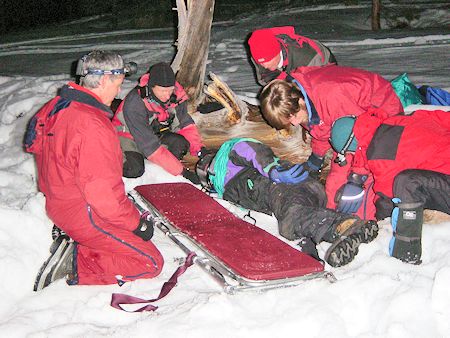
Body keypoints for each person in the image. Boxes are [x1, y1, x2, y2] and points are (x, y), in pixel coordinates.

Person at [25, 51, 164, 290]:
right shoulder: (94, 126)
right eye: (118, 84)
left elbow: (33, 144)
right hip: (82, 213)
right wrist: (135, 224)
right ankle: (76, 261)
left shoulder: (57, 105)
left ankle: (78, 239)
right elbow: (105, 199)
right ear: (103, 81)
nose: (119, 92)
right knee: (150, 261)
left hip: (58, 199)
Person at [195, 138, 379, 267]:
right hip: (297, 197)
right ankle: (309, 259)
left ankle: (343, 224)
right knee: (291, 225)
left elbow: (249, 148)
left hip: (286, 185)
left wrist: (272, 169)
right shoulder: (228, 192)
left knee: (291, 219)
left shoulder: (226, 158)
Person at [259, 65, 403, 221]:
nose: (294, 123)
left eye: (293, 117)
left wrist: (357, 178)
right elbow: (324, 125)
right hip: (351, 127)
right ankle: (332, 223)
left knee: (361, 196)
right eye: (288, 121)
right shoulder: (299, 101)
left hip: (385, 122)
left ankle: (366, 224)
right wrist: (315, 159)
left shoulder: (333, 97)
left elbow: (363, 134)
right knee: (334, 185)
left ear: (299, 100)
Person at [329, 108, 450, 264]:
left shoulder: (380, 155)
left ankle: (405, 254)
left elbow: (387, 197)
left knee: (405, 184)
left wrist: (380, 222)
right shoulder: (401, 119)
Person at [113, 62, 204, 182]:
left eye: (170, 90)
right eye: (162, 91)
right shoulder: (135, 103)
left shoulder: (176, 96)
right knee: (134, 169)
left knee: (180, 144)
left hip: (153, 134)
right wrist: (182, 172)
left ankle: (162, 169)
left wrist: (200, 151)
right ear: (151, 86)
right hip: (128, 137)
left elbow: (185, 124)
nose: (167, 96)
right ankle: (112, 159)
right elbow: (150, 146)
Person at [247, 26, 336, 86]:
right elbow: (265, 80)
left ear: (278, 52)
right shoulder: (259, 56)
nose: (265, 66)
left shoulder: (308, 58)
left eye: (268, 61)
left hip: (323, 66)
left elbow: (315, 88)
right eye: (261, 63)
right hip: (292, 66)